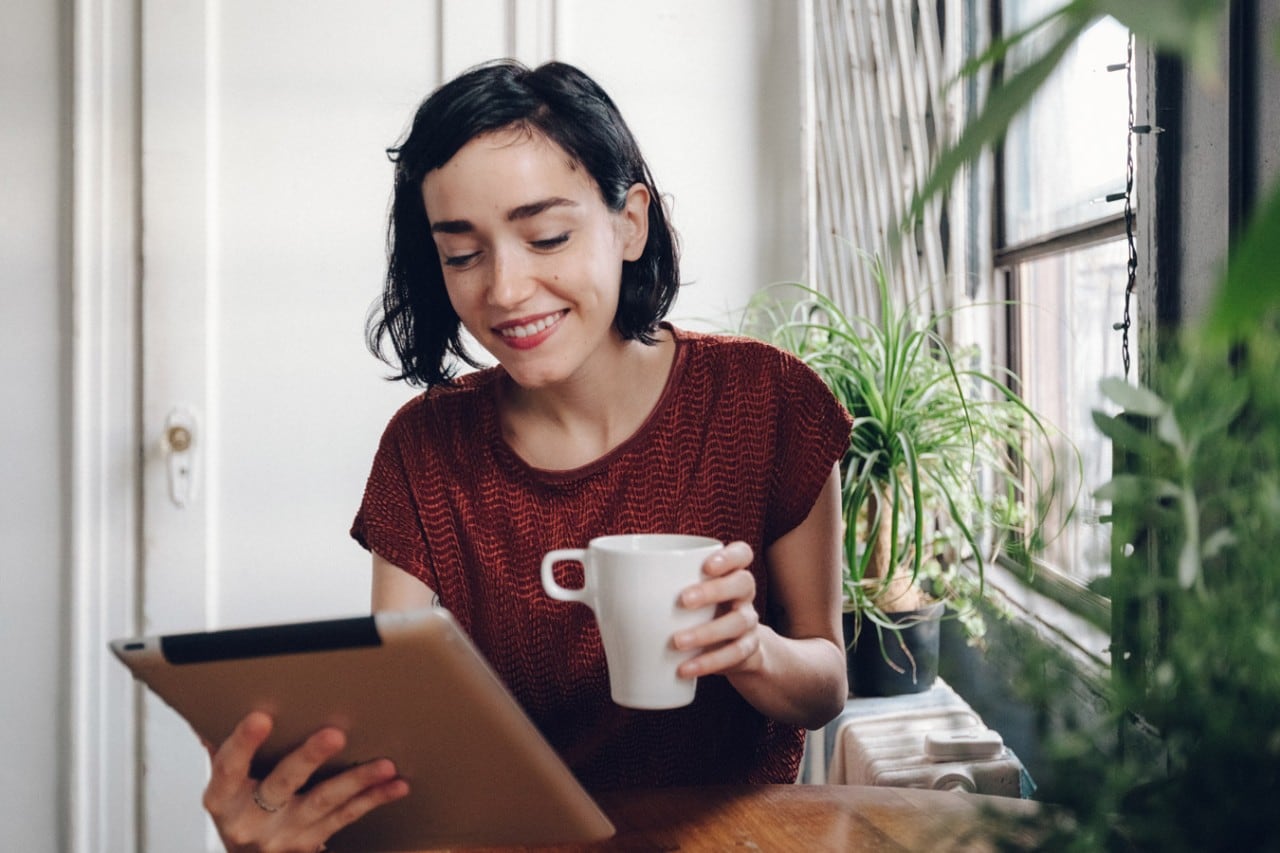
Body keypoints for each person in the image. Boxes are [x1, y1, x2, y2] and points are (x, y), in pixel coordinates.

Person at [201, 59, 852, 853]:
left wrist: (752, 650)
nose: (504, 290)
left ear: (629, 223)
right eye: (463, 254)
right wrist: (284, 824)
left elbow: (825, 683)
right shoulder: (425, 449)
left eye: (546, 235)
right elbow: (395, 728)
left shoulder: (766, 400)